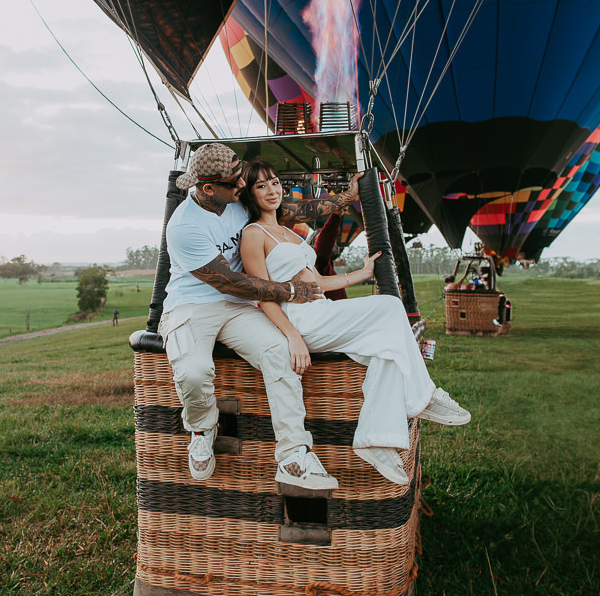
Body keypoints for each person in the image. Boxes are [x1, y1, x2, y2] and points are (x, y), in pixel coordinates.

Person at [239, 160, 471, 487]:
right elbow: (263, 295)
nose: (272, 190)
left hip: (320, 311)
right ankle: (424, 396)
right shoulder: (254, 234)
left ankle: (376, 440)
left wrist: (362, 273)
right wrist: (291, 336)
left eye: (275, 182)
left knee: (387, 350)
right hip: (300, 318)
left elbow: (317, 280)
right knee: (390, 307)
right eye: (261, 185)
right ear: (249, 194)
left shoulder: (287, 232)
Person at [159, 143, 361, 492]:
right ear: (209, 189)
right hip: (193, 305)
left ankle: (294, 455)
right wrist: (290, 291)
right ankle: (202, 427)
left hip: (238, 308)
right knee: (193, 372)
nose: (243, 186)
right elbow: (233, 282)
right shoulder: (184, 227)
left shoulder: (235, 202)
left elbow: (296, 210)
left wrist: (346, 198)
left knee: (279, 353)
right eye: (235, 182)